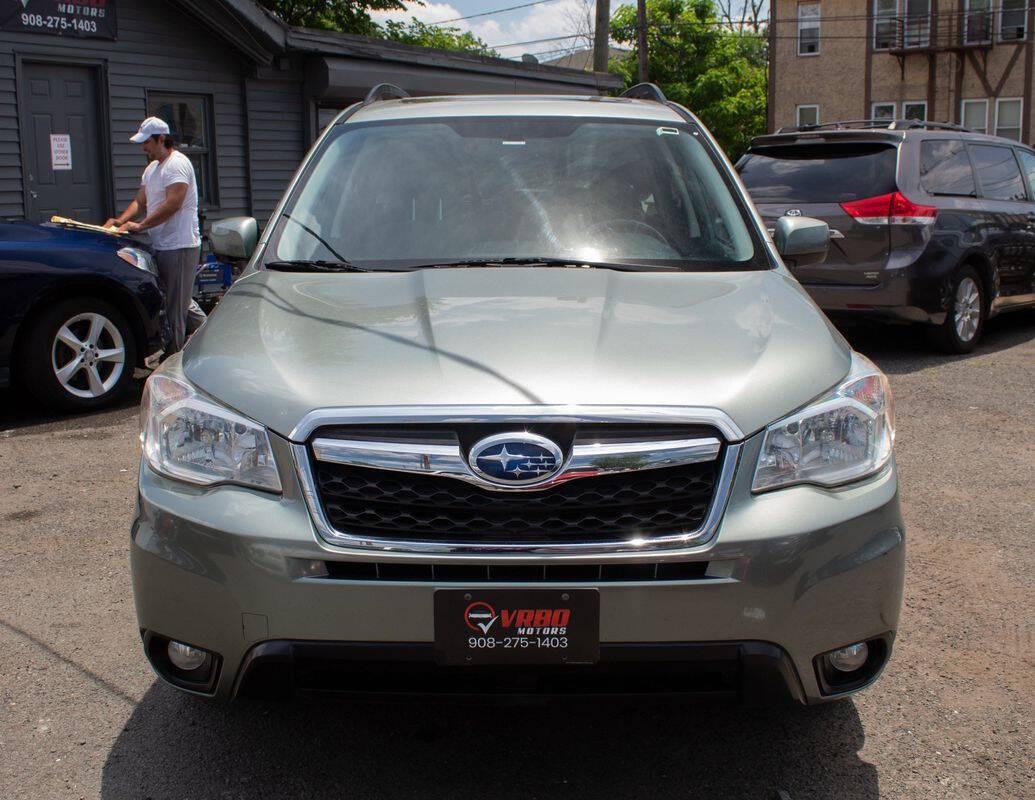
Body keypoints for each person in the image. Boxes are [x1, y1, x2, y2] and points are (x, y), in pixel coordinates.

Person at [104, 116, 200, 353]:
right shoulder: (152, 169)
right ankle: (214, 335)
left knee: (175, 309)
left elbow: (173, 204)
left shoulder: (177, 164)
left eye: (146, 142)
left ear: (161, 139)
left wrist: (141, 226)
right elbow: (140, 200)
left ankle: (174, 361)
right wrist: (121, 220)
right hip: (163, 244)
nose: (143, 147)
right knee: (179, 300)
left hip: (180, 246)